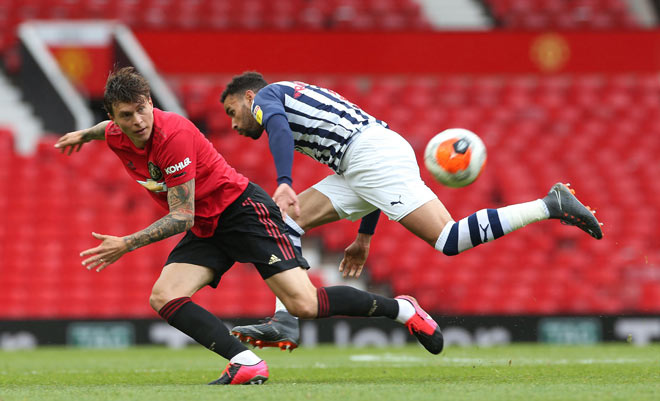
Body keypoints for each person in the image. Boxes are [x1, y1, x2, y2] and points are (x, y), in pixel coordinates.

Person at [54, 67, 444, 385]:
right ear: (113, 118)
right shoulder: (114, 133)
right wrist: (81, 135)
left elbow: (181, 216)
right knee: (164, 296)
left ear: (151, 103)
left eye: (142, 109)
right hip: (209, 226)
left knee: (303, 305)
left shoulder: (172, 135)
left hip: (241, 211)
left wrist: (125, 243)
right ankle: (246, 363)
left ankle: (402, 310)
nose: (138, 121)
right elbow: (103, 131)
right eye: (126, 115)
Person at [221, 71, 604, 350]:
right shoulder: (289, 93)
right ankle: (285, 322)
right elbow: (360, 168)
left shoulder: (267, 97)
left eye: (232, 110)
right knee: (282, 219)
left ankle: (548, 204)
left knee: (448, 239)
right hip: (363, 157)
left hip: (368, 156)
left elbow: (279, 128)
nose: (233, 122)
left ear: (248, 96)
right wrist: (365, 236)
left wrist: (285, 179)